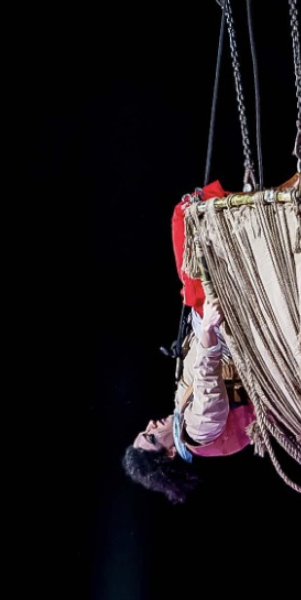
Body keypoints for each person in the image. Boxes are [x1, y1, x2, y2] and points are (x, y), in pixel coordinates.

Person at [123, 185, 256, 504]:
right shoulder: (200, 430)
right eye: (151, 437)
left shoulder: (186, 421)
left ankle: (246, 200)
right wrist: (207, 326)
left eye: (144, 430)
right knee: (184, 216)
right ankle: (244, 201)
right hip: (229, 340)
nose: (151, 424)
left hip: (218, 336)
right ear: (169, 453)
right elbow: (209, 378)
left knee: (189, 228)